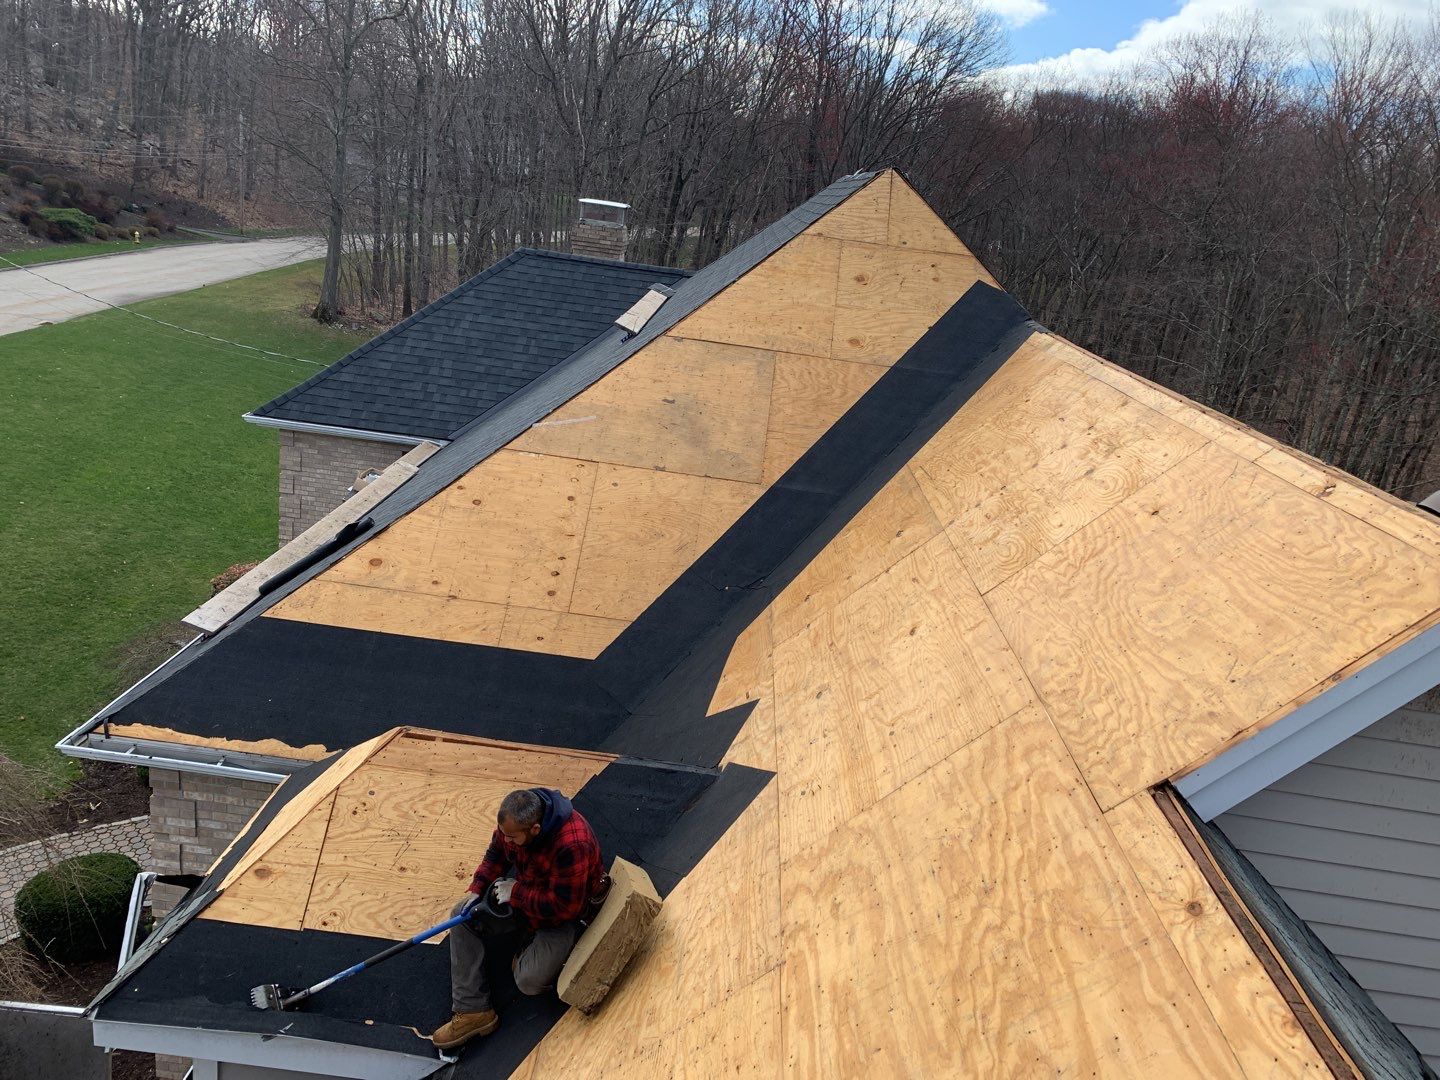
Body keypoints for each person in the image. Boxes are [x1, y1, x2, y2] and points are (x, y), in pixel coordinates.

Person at [432, 787, 605, 1050]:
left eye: (512, 838)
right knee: (461, 915)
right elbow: (495, 855)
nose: (507, 841)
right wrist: (478, 888)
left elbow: (565, 908)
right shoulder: (511, 825)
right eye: (504, 834)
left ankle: (533, 947)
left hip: (562, 918)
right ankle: (473, 1011)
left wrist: (517, 893)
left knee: (529, 981)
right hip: (525, 898)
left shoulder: (572, 842)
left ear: (535, 830)